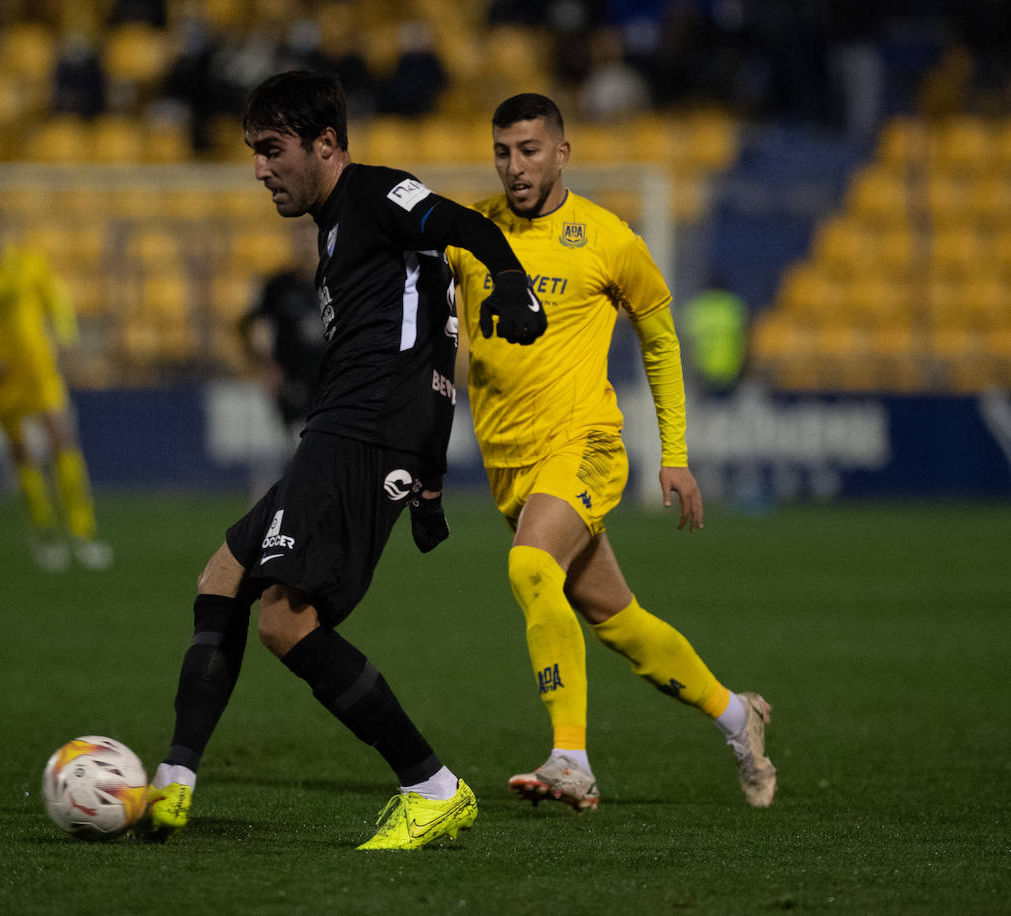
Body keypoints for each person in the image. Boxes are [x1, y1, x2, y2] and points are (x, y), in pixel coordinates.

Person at [144, 70, 545, 851]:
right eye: (254, 152)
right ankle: (174, 782)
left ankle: (431, 786)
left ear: (325, 145)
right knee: (222, 573)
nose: (260, 168)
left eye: (272, 149)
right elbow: (440, 345)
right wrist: (428, 482)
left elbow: (465, 225)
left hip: (360, 432)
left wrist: (513, 284)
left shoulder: (373, 195)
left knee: (286, 621)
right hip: (356, 431)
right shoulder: (340, 234)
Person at [446, 93, 776, 812]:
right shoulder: (468, 234)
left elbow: (660, 339)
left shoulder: (607, 238)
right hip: (511, 463)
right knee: (618, 621)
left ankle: (571, 760)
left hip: (586, 444)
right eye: (503, 152)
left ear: (562, 153)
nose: (515, 166)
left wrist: (676, 453)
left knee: (532, 567)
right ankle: (735, 715)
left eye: (530, 150)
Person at [0, 210, 110, 572]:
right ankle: (45, 533)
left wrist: (66, 340)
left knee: (63, 439)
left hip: (38, 370)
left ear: (1, 230)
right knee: (21, 453)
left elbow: (57, 302)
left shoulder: (29, 265)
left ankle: (82, 532)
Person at [236, 226, 325, 495]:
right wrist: (265, 365)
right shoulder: (278, 285)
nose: (308, 248)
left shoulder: (337, 281)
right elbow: (253, 325)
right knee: (287, 450)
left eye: (312, 242)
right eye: (302, 241)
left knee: (322, 453)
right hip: (291, 380)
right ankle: (266, 511)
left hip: (332, 380)